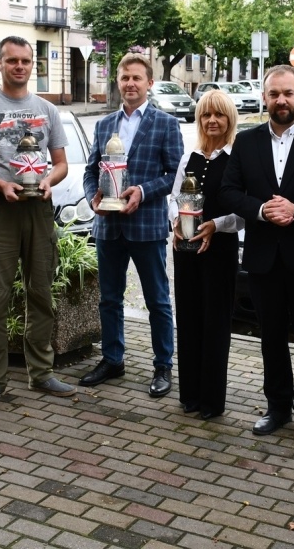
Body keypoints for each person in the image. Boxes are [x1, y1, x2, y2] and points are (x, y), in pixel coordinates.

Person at [220, 64, 294, 444]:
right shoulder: (246, 141)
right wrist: (260, 210)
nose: (281, 100)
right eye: (274, 94)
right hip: (262, 257)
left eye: (288, 93)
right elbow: (228, 190)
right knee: (269, 335)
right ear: (264, 98)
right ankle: (276, 407)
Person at [0, 36, 76, 410]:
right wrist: (0, 184)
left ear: (33, 65)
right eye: (12, 60)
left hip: (38, 210)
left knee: (41, 291)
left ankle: (41, 373)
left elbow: (59, 163)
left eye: (27, 61)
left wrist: (48, 182)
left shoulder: (47, 109)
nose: (20, 66)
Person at [81, 53, 182, 397]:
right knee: (109, 298)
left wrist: (142, 190)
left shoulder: (165, 124)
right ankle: (113, 359)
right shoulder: (103, 124)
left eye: (137, 78)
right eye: (125, 78)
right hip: (108, 226)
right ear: (118, 82)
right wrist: (92, 198)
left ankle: (163, 365)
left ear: (149, 83)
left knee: (158, 300)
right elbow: (90, 170)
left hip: (147, 226)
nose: (130, 84)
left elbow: (174, 177)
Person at [168, 90, 243, 419]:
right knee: (188, 319)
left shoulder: (236, 160)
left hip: (220, 251)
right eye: (206, 115)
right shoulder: (191, 156)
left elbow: (242, 214)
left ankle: (212, 401)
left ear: (229, 119)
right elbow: (174, 198)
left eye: (219, 115)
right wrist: (175, 223)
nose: (212, 121)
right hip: (187, 250)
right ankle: (191, 395)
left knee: (215, 325)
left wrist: (216, 224)